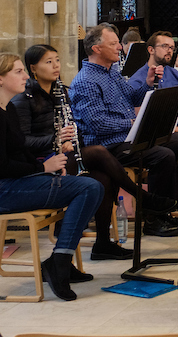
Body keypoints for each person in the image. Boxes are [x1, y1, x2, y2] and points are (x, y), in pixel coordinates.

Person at [12, 44, 161, 261]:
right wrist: (55, 140)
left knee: (103, 177)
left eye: (57, 60)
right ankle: (142, 197)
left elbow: (76, 129)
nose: (56, 66)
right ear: (33, 68)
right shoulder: (23, 100)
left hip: (65, 155)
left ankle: (102, 243)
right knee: (99, 152)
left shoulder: (61, 92)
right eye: (48, 62)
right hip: (41, 162)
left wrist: (72, 141)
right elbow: (22, 142)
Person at [0, 54, 103, 301]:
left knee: (91, 186)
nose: (25, 76)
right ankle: (59, 261)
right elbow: (2, 166)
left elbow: (22, 153)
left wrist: (50, 165)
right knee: (89, 188)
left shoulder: (10, 108)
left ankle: (60, 260)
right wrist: (43, 169)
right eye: (18, 72)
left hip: (19, 182)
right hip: (5, 189)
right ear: (0, 79)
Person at [69, 23, 178, 236]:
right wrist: (131, 124)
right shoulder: (86, 81)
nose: (119, 48)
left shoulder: (111, 71)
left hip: (126, 137)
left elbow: (131, 97)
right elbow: (97, 124)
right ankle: (153, 217)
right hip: (107, 145)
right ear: (97, 49)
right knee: (163, 155)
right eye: (113, 44)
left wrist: (148, 84)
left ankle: (167, 207)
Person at [137, 31, 178, 131]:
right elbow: (143, 121)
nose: (169, 51)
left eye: (172, 48)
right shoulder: (139, 79)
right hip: (163, 131)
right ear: (151, 50)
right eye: (165, 46)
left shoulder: (175, 74)